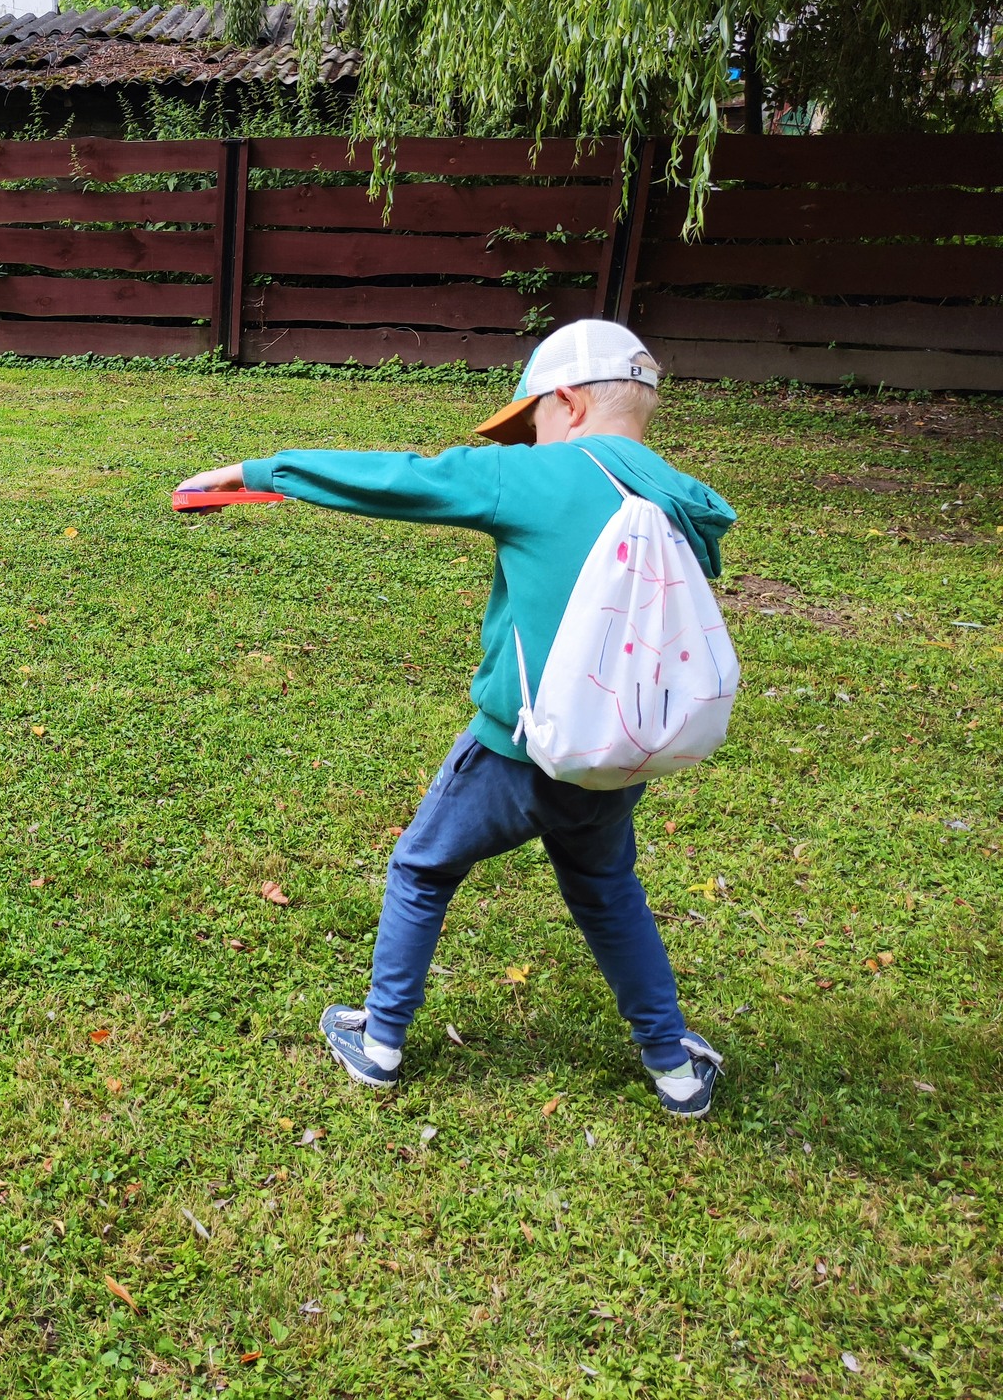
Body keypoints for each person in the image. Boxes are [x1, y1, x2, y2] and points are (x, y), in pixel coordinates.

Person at [177, 320, 738, 1118]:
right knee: (609, 889)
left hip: (514, 751)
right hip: (617, 751)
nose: (527, 440)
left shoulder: (540, 476)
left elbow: (403, 480)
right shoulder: (682, 498)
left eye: (531, 421)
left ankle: (379, 1042)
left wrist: (256, 472)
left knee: (422, 867)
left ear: (567, 402)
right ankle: (674, 1067)